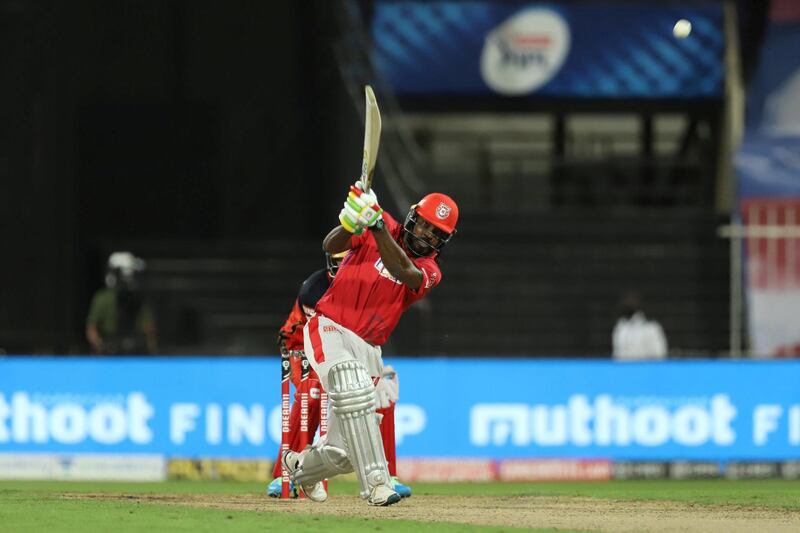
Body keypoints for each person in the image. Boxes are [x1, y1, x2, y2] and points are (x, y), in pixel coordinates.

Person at [282, 181, 458, 507]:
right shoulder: (381, 223)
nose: (427, 236)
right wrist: (350, 222)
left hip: (369, 348)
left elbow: (403, 271)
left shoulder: (429, 270)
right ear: (411, 217)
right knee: (352, 385)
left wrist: (375, 225)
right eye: (425, 225)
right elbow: (330, 244)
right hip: (330, 327)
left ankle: (300, 469)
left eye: (437, 234)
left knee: (344, 453)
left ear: (444, 242)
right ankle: (377, 484)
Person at [266, 250, 411, 498]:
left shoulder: (372, 285)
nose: (343, 267)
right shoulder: (314, 289)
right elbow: (303, 334)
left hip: (350, 355)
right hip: (309, 352)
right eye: (338, 262)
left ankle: (386, 473)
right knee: (311, 393)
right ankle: (285, 475)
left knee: (381, 395)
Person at [86, 251, 157, 355]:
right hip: (111, 350)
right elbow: (92, 329)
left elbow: (149, 330)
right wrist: (101, 346)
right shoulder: (103, 298)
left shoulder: (138, 299)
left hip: (133, 350)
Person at [612, 291, 668, 361]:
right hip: (626, 370)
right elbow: (617, 355)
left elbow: (660, 354)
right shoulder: (620, 328)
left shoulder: (652, 328)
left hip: (647, 369)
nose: (629, 305)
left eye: (632, 302)